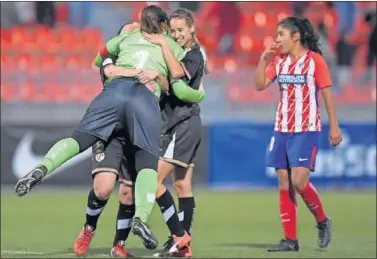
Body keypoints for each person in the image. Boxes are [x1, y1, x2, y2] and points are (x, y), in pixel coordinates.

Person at [14, 5, 203, 253]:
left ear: (139, 22)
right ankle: (138, 220)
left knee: (81, 142)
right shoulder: (170, 44)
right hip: (142, 104)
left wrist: (112, 67)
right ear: (165, 26)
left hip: (113, 98)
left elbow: (99, 59)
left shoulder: (125, 35)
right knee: (129, 174)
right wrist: (195, 91)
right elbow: (178, 79)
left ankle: (43, 167)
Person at [73, 19, 205, 257]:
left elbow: (172, 82)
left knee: (133, 189)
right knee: (104, 189)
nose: (135, 35)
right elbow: (106, 66)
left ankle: (132, 244)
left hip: (146, 129)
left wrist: (164, 74)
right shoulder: (114, 59)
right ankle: (89, 228)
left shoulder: (172, 55)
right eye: (128, 33)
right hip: (113, 130)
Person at [121, 8, 207, 258]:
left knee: (153, 180)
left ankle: (181, 239)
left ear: (192, 29)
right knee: (181, 185)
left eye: (181, 30)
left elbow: (177, 75)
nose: (177, 35)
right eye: (173, 30)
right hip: (175, 124)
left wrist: (161, 44)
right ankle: (181, 243)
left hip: (183, 124)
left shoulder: (193, 55)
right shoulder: (173, 48)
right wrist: (134, 30)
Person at [255, 17, 342, 252]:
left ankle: (322, 221)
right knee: (284, 181)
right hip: (281, 128)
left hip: (306, 128)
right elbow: (260, 85)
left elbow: (327, 93)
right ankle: (290, 240)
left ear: (296, 37)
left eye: (281, 34)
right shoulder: (280, 61)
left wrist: (334, 125)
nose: (277, 39)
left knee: (298, 181)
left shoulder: (315, 62)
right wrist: (264, 59)